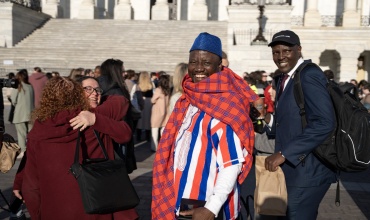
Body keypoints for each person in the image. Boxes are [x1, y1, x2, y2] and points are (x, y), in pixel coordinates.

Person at [152, 32, 258, 220]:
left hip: (208, 207)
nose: (198, 68)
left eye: (206, 63)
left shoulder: (225, 104)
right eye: (193, 62)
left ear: (219, 66)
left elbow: (231, 164)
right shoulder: (188, 99)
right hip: (181, 199)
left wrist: (212, 207)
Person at [15, 76, 137, 220]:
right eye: (88, 89)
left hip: (54, 210)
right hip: (96, 207)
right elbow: (124, 126)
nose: (95, 93)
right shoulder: (91, 119)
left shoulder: (37, 131)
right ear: (78, 95)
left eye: (97, 90)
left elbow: (31, 186)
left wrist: (37, 213)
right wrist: (96, 120)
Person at [264, 30, 336, 219]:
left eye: (286, 51)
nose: (281, 57)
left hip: (309, 170)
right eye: (276, 52)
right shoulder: (283, 79)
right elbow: (288, 122)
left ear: (299, 50)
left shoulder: (308, 75)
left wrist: (284, 153)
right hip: (293, 170)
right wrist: (266, 117)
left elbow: (324, 122)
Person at [98, 58, 137, 174]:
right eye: (122, 71)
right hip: (117, 136)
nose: (125, 74)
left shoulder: (102, 87)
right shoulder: (116, 92)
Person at [11, 69, 34, 158]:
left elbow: (13, 100)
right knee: (31, 133)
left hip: (20, 114)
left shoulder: (18, 86)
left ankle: (23, 151)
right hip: (31, 113)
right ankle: (31, 150)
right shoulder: (30, 86)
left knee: (21, 134)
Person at [150, 74, 170, 152]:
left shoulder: (158, 90)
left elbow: (152, 100)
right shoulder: (167, 90)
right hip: (165, 112)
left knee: (154, 129)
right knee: (163, 130)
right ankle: (164, 145)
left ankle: (154, 146)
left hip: (157, 112)